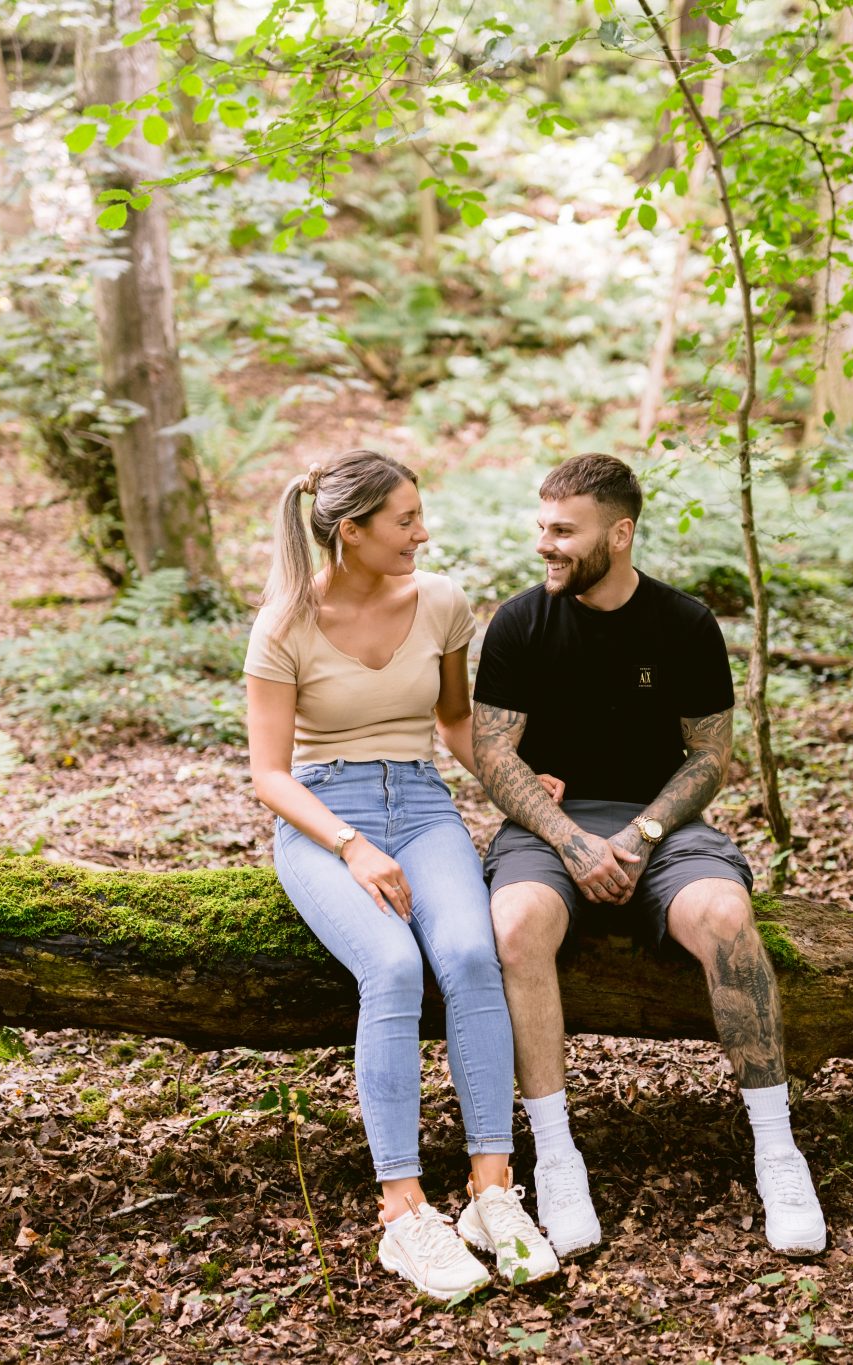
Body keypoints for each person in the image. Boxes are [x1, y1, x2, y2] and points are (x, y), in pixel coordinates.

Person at [472, 453, 828, 1258]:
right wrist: (570, 839)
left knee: (729, 916)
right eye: (542, 527)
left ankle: (777, 1148)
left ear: (620, 533)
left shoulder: (685, 624)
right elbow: (494, 754)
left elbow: (709, 756)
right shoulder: (521, 621)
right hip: (550, 828)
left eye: (564, 530)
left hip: (663, 829)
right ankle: (557, 1158)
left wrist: (640, 836)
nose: (545, 544)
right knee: (515, 922)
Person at [244, 450, 559, 1301]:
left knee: (467, 955)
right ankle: (402, 1209)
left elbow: (457, 724)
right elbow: (269, 774)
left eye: (421, 515)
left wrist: (521, 784)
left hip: (422, 805)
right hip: (321, 815)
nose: (423, 532)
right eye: (405, 520)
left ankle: (492, 1191)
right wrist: (349, 842)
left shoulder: (443, 602)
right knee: (391, 966)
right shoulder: (283, 622)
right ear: (350, 531)